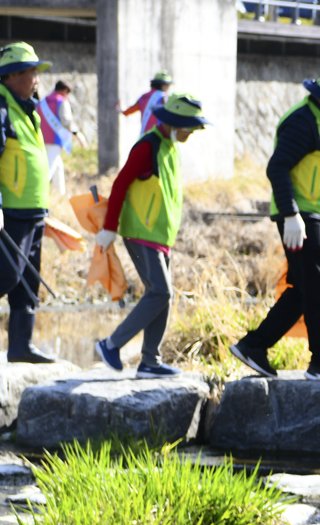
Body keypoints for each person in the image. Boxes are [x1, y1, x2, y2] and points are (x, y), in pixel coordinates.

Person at [229, 64, 320, 384]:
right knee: (316, 287)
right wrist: (292, 215)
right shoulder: (303, 122)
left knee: (303, 288)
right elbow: (277, 168)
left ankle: (254, 346)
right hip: (300, 217)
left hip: (311, 215)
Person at [91, 93, 209, 376]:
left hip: (160, 236)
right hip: (140, 233)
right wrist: (110, 227)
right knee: (160, 292)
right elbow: (119, 185)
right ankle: (111, 344)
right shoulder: (148, 146)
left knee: (163, 295)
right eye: (189, 126)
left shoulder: (170, 147)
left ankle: (150, 362)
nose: (192, 132)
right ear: (175, 122)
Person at [0, 43, 60, 363]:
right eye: (32, 72)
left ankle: (21, 346)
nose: (37, 78)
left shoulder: (27, 108)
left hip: (34, 209)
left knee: (27, 279)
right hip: (11, 209)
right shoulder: (0, 108)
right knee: (6, 273)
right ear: (13, 75)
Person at [39, 79, 75, 201]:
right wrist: (73, 133)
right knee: (48, 169)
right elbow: (66, 121)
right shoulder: (62, 101)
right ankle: (40, 194)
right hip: (55, 139)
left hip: (41, 138)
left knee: (57, 166)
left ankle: (61, 195)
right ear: (65, 90)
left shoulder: (43, 101)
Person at [121, 70, 171, 138]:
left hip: (144, 137)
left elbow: (128, 111)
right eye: (167, 85)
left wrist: (121, 110)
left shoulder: (143, 97)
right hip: (158, 137)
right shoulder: (163, 97)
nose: (168, 87)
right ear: (163, 85)